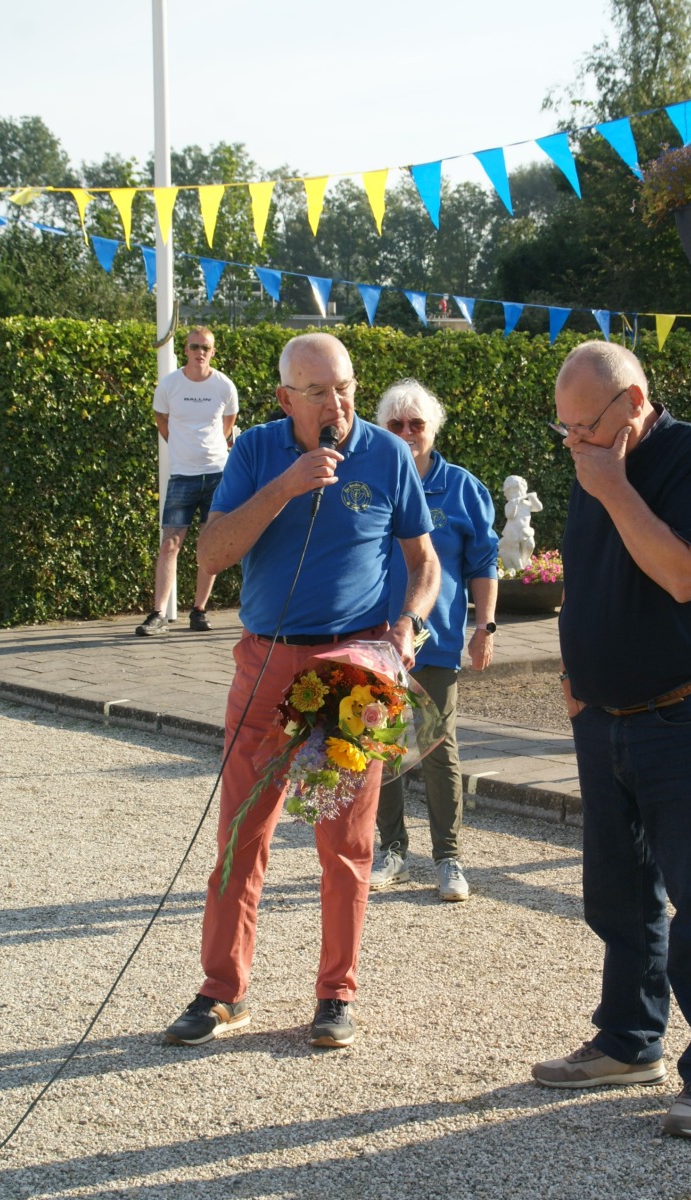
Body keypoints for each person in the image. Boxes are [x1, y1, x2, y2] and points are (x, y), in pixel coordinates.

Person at [164, 332, 440, 1049]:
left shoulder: (387, 454)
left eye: (343, 388)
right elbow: (212, 553)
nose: (335, 405)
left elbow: (424, 562)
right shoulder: (256, 452)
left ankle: (335, 994)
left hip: (352, 669)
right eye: (317, 393)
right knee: (240, 834)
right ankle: (222, 990)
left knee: (345, 842)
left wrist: (409, 623)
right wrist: (287, 485)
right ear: (286, 398)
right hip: (266, 662)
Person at [532, 339, 691, 1141]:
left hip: (686, 713)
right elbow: (586, 576)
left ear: (631, 402)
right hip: (603, 714)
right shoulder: (594, 462)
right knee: (616, 892)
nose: (574, 443)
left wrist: (614, 485)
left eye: (584, 426)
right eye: (563, 430)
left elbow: (684, 577)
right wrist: (572, 671)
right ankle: (628, 1039)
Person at [369, 380, 498, 901]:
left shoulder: (463, 488)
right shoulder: (369, 481)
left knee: (438, 748)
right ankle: (392, 850)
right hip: (371, 640)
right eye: (395, 424)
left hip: (433, 640)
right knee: (379, 746)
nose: (406, 432)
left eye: (416, 424)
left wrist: (484, 626)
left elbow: (483, 563)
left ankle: (448, 857)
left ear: (433, 429)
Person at [135, 326, 238, 636]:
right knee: (170, 543)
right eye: (194, 346)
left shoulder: (224, 386)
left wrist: (208, 449)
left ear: (213, 352)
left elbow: (228, 425)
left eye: (205, 347)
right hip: (182, 475)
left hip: (217, 474)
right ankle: (158, 614)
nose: (199, 352)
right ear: (185, 349)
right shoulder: (169, 386)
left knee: (209, 544)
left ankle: (199, 610)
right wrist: (182, 447)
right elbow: (161, 420)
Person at [500, 475, 543, 572]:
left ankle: (525, 561)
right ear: (508, 493)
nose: (518, 493)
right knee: (514, 549)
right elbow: (510, 515)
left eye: (520, 489)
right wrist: (514, 504)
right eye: (513, 491)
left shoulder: (527, 504)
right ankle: (519, 568)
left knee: (530, 545)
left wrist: (533, 498)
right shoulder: (509, 504)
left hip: (525, 531)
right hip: (512, 531)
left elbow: (538, 508)